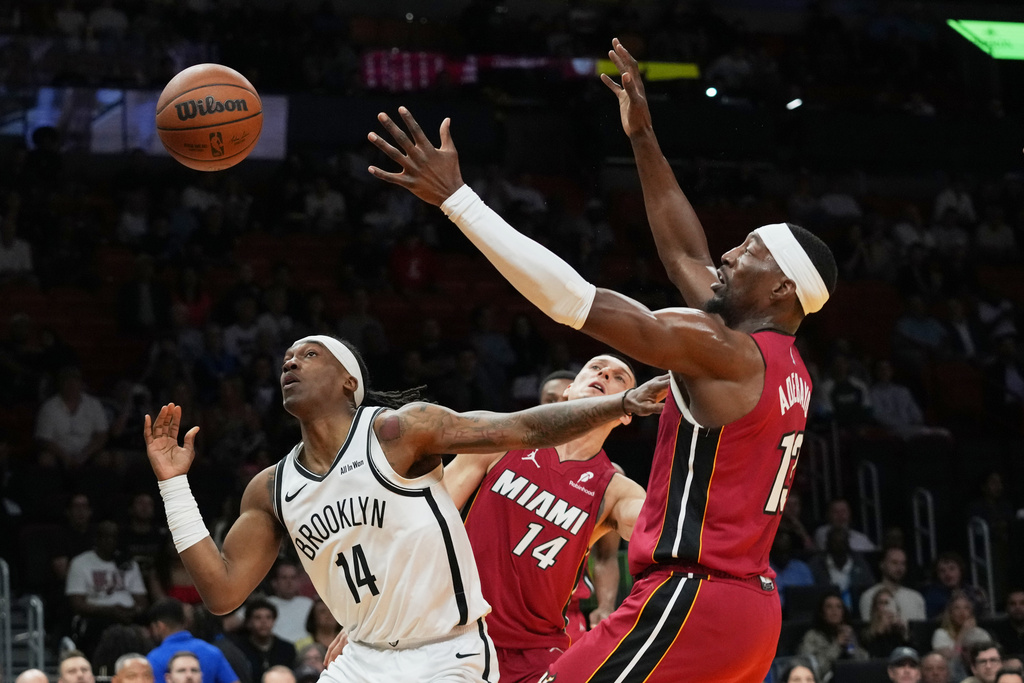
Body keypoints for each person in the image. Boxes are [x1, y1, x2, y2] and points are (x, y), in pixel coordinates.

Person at [366, 35, 837, 682]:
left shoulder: (725, 352)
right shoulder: (785, 365)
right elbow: (684, 256)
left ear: (781, 286)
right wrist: (643, 138)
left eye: (748, 250)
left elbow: (573, 302)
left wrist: (458, 201)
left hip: (691, 597)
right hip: (751, 608)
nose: (728, 255)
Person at [143, 334, 665, 683]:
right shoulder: (271, 487)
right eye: (288, 357)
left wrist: (621, 404)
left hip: (454, 650)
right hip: (365, 653)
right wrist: (173, 486)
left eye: (310, 354)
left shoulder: (400, 431)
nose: (291, 361)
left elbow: (525, 426)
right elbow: (221, 593)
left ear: (350, 381)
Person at [443, 354, 649, 683]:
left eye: (619, 377)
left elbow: (658, 529)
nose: (605, 374)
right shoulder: (503, 438)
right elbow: (429, 522)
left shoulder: (616, 490)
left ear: (626, 413)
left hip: (534, 651)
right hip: (452, 630)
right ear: (568, 389)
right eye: (596, 368)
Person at [65, 520, 148, 658]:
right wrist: (110, 611)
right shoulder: (80, 563)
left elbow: (142, 601)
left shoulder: (128, 563)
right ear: (96, 538)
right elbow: (77, 604)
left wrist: (132, 611)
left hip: (129, 616)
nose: (110, 541)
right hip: (97, 617)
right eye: (105, 536)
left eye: (114, 536)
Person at [147, 598, 240, 683]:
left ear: (159, 626)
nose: (189, 676)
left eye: (195, 670)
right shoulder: (212, 651)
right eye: (181, 671)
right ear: (186, 621)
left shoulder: (154, 659)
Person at [797, 591, 869, 680]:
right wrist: (837, 645)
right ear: (822, 613)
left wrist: (852, 644)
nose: (834, 611)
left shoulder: (848, 633)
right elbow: (811, 670)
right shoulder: (812, 637)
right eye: (829, 607)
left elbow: (865, 665)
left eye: (839, 607)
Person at [228, 599, 295, 679]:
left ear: (274, 621)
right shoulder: (238, 650)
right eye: (258, 617)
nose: (264, 622)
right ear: (249, 622)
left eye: (268, 617)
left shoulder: (287, 649)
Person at [859, 548, 927, 622]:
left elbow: (920, 629)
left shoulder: (915, 597)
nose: (899, 567)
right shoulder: (869, 595)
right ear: (882, 565)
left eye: (903, 563)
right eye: (894, 563)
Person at [264, 558, 313, 645]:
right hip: (276, 649)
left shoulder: (308, 604)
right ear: (274, 582)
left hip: (305, 652)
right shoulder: (265, 604)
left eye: (293, 578)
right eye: (284, 578)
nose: (289, 582)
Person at [861, 588, 913, 659]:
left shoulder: (899, 630)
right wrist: (880, 632)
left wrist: (904, 634)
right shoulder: (866, 633)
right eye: (881, 603)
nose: (886, 607)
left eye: (888, 603)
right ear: (875, 607)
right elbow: (873, 656)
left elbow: (911, 654)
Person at [813, 498, 877, 552]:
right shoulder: (822, 532)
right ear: (828, 514)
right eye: (835, 512)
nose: (840, 515)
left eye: (844, 511)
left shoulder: (861, 538)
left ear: (850, 514)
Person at [987, 589, 1024, 657]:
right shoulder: (997, 631)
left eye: (1022, 603)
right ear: (1007, 608)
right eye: (1013, 604)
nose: (1018, 607)